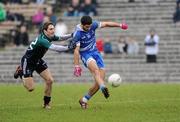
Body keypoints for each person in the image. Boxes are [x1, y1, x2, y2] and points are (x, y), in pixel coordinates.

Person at [69, 15, 128, 109]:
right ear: (82, 24)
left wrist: (120, 25)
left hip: (96, 53)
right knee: (96, 71)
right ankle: (103, 87)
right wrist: (77, 66)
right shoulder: (78, 34)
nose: (88, 28)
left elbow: (107, 24)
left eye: (89, 26)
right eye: (86, 27)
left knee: (99, 81)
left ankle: (84, 100)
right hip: (85, 55)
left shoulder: (93, 25)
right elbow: (76, 50)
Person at [13, 22, 72, 109]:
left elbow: (61, 38)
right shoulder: (42, 40)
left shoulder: (50, 36)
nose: (53, 30)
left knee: (50, 80)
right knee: (30, 88)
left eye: (53, 28)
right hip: (28, 62)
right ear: (45, 31)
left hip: (38, 61)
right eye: (51, 29)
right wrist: (69, 47)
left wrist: (73, 34)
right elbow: (55, 48)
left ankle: (46, 103)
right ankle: (20, 72)